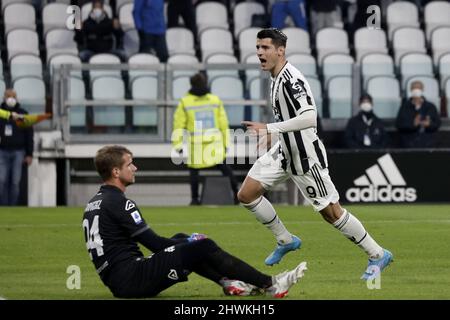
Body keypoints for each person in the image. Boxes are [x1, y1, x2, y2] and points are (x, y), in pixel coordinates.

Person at [238, 28, 393, 281]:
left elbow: (310, 118)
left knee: (332, 213)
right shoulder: (274, 76)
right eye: (258, 48)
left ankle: (377, 254)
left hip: (305, 157)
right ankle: (285, 240)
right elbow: (289, 117)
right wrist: (275, 135)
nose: (259, 53)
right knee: (247, 194)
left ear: (280, 50)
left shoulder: (291, 80)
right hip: (284, 150)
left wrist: (270, 128)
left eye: (265, 48)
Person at [82, 145, 307, 298]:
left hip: (119, 280)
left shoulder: (95, 203)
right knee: (203, 246)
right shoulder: (121, 204)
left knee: (182, 240)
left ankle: (229, 284)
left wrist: (185, 241)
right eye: (129, 164)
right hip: (132, 279)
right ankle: (271, 284)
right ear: (115, 171)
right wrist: (192, 241)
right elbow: (156, 245)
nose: (135, 168)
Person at [172, 73, 239, 205]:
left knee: (194, 172)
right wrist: (226, 143)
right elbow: (223, 123)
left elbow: (178, 124)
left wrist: (178, 145)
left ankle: (195, 199)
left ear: (191, 84)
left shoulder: (185, 102)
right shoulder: (215, 100)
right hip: (214, 143)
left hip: (196, 144)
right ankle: (237, 195)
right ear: (206, 83)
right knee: (225, 168)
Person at [0, 89, 33, 206]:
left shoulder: (22, 114)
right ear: (4, 97)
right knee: (1, 181)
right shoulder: (1, 113)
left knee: (15, 182)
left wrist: (29, 154)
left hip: (18, 152)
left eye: (13, 96)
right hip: (2, 151)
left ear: (16, 98)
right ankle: (3, 206)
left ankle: (13, 206)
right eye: (8, 96)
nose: (10, 99)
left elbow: (29, 134)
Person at [396, 81, 441, 148]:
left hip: (428, 143)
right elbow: (399, 124)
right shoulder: (405, 107)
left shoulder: (430, 107)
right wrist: (413, 124)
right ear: (411, 90)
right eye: (414, 88)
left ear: (422, 89)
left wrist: (429, 124)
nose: (416, 90)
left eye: (418, 88)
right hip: (409, 143)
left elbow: (437, 124)